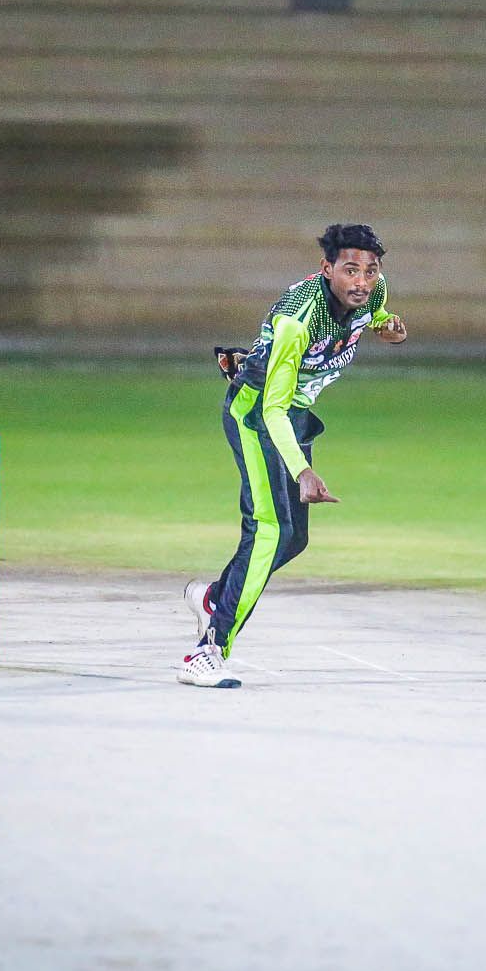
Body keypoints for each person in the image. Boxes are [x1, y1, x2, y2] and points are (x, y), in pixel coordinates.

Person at [178, 223, 408, 688]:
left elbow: (375, 315)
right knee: (269, 528)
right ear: (326, 269)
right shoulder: (298, 322)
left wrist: (389, 327)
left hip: (293, 416)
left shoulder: (373, 291)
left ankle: (216, 598)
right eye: (350, 270)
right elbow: (271, 408)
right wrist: (302, 470)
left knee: (293, 538)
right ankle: (206, 651)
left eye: (370, 270)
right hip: (256, 412)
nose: (362, 281)